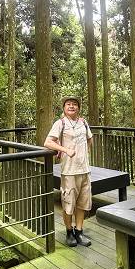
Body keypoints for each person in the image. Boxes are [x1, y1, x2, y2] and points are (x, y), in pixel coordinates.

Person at [44, 96, 93, 247]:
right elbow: (48, 142)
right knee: (68, 203)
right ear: (64, 108)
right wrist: (64, 149)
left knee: (82, 203)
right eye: (68, 104)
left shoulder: (83, 122)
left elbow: (90, 139)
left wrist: (85, 153)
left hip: (84, 169)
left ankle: (79, 231)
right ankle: (69, 231)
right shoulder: (61, 123)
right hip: (69, 171)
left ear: (78, 108)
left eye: (74, 104)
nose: (71, 106)